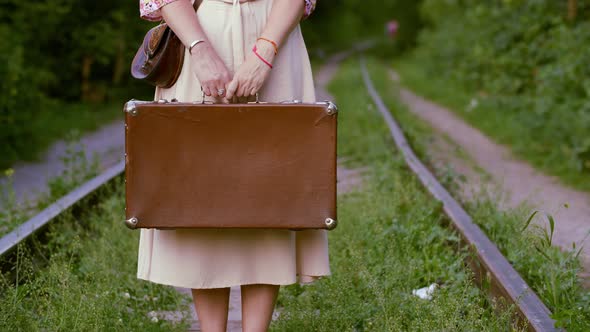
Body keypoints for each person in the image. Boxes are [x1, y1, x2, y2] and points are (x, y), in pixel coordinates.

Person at [136, 0, 329, 331]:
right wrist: (199, 49)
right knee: (200, 191)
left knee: (271, 191)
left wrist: (265, 51)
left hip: (276, 33)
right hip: (199, 31)